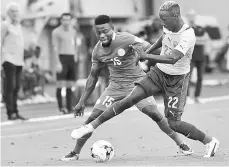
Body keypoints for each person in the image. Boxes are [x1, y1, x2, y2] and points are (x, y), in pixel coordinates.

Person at [71, 1, 220, 158]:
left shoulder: (187, 35)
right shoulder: (168, 27)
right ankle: (89, 128)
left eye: (165, 19)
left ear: (176, 16)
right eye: (161, 19)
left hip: (176, 80)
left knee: (173, 123)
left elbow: (173, 59)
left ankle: (209, 141)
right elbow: (163, 39)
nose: (162, 23)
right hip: (157, 74)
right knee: (130, 99)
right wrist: (148, 52)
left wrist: (145, 55)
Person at [61, 14, 193, 161]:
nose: (102, 35)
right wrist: (82, 101)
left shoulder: (127, 39)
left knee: (154, 114)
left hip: (138, 83)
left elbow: (149, 48)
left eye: (105, 31)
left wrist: (172, 54)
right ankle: (75, 152)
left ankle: (181, 144)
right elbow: (93, 77)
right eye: (98, 32)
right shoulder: (97, 51)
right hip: (115, 86)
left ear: (113, 29)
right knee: (92, 118)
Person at [1, 2, 27, 120]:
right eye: (12, 11)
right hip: (8, 59)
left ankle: (15, 111)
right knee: (10, 87)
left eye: (16, 11)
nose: (15, 13)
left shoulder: (18, 26)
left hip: (18, 60)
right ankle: (10, 112)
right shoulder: (4, 25)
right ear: (8, 13)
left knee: (16, 87)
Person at [52, 13, 77, 114]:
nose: (66, 22)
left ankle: (69, 107)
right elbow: (54, 47)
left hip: (71, 58)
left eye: (68, 20)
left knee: (70, 84)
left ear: (70, 21)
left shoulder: (73, 31)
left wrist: (75, 55)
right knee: (60, 84)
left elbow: (74, 44)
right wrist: (57, 62)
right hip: (61, 58)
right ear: (61, 21)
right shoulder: (56, 32)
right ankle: (61, 107)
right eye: (64, 20)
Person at [186, 10, 209, 103]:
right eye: (190, 16)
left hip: (201, 57)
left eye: (193, 15)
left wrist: (195, 39)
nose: (192, 17)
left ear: (195, 16)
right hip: (190, 57)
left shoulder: (200, 28)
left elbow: (205, 39)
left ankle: (197, 96)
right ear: (188, 17)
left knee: (200, 77)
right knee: (187, 77)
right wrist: (198, 40)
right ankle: (187, 97)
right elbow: (189, 41)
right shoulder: (185, 28)